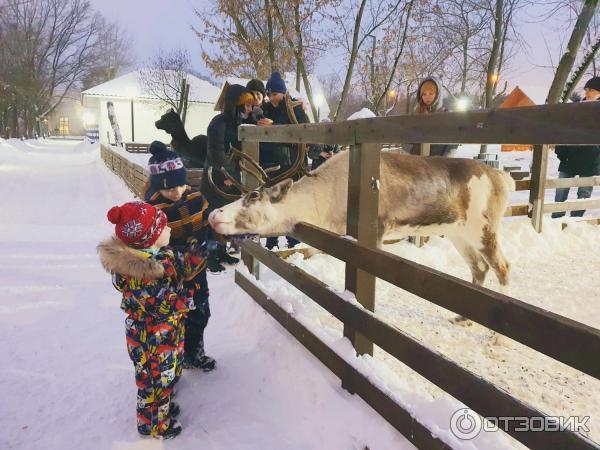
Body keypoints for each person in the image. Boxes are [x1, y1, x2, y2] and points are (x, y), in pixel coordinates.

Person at [98, 201, 207, 439]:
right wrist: (189, 297)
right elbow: (161, 304)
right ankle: (153, 425)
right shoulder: (138, 276)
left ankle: (161, 411)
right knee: (154, 385)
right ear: (149, 238)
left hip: (166, 334)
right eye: (164, 227)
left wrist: (199, 255)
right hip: (151, 341)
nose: (169, 230)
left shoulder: (158, 256)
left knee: (164, 381)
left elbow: (178, 265)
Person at [144, 141, 216, 371]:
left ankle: (194, 352)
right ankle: (173, 361)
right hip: (172, 277)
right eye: (168, 189)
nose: (176, 193)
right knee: (175, 320)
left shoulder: (196, 198)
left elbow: (208, 222)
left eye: (180, 185)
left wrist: (212, 240)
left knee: (201, 312)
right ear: (157, 187)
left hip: (198, 270)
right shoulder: (153, 210)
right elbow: (152, 247)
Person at [201, 84, 255, 270]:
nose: (249, 109)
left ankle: (222, 252)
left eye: (250, 106)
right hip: (215, 177)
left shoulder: (239, 123)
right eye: (246, 105)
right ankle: (210, 256)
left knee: (224, 215)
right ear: (236, 104)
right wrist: (227, 173)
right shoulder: (218, 123)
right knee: (213, 216)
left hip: (230, 177)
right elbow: (216, 151)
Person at [258, 71, 310, 250]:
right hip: (272, 167)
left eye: (275, 94)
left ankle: (294, 242)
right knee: (272, 204)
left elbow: (303, 134)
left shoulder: (295, 108)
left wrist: (274, 128)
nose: (272, 98)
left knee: (290, 205)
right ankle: (271, 241)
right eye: (270, 94)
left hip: (292, 165)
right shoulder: (265, 110)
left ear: (282, 92)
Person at [552, 76, 600, 218]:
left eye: (591, 89)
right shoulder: (576, 108)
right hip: (569, 159)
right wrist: (561, 152)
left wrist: (597, 154)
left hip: (591, 160)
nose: (587, 92)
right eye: (586, 89)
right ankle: (555, 223)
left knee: (584, 194)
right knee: (561, 192)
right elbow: (564, 131)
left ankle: (575, 223)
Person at [409, 77, 457, 157]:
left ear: (438, 94)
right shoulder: (417, 115)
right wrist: (412, 152)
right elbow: (407, 139)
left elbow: (452, 144)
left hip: (439, 163)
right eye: (424, 94)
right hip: (418, 161)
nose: (427, 97)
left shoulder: (447, 115)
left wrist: (445, 160)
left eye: (431, 93)